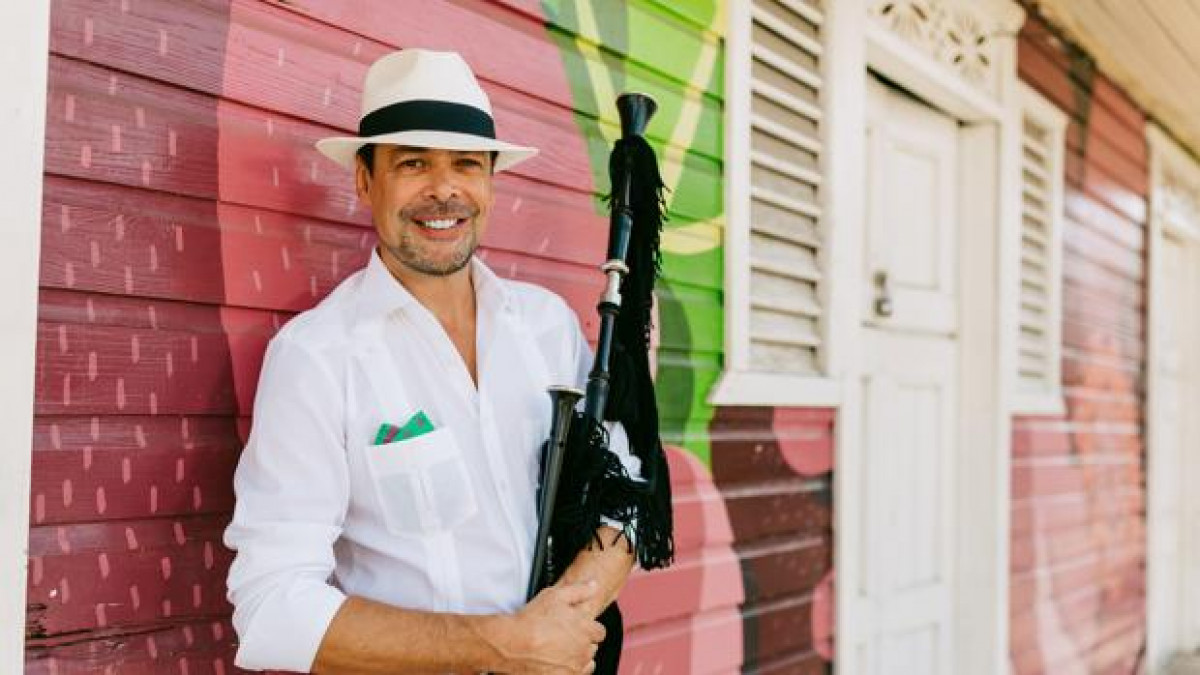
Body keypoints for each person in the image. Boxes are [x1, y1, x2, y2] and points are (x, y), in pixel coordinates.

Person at [223, 49, 642, 674]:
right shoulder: (316, 357)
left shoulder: (546, 325)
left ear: (490, 183)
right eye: (413, 162)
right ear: (365, 180)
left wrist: (560, 621)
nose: (444, 189)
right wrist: (504, 644)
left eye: (466, 163)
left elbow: (624, 492)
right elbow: (272, 607)